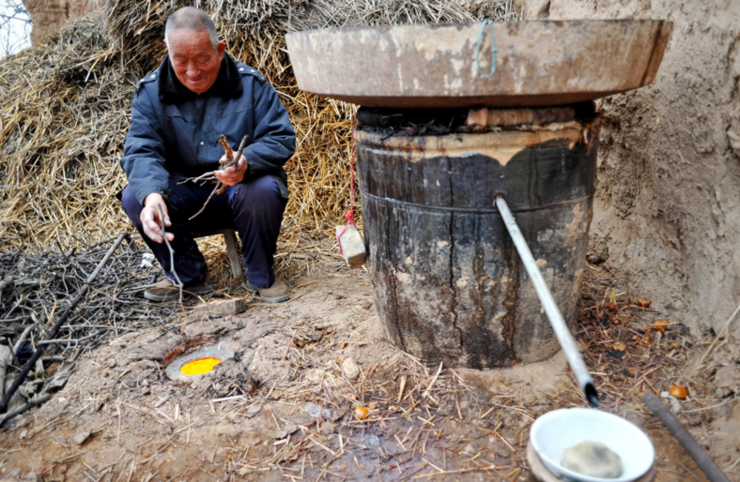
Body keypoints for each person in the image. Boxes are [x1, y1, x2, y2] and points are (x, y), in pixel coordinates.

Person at [119, 6, 296, 303]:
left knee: (263, 189)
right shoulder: (149, 93)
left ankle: (261, 275)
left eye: (203, 59)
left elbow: (281, 137)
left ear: (219, 49)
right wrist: (152, 195)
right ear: (167, 51)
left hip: (241, 193)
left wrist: (246, 162)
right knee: (136, 197)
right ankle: (187, 276)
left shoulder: (251, 85)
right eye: (181, 60)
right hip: (185, 199)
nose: (193, 71)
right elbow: (141, 149)